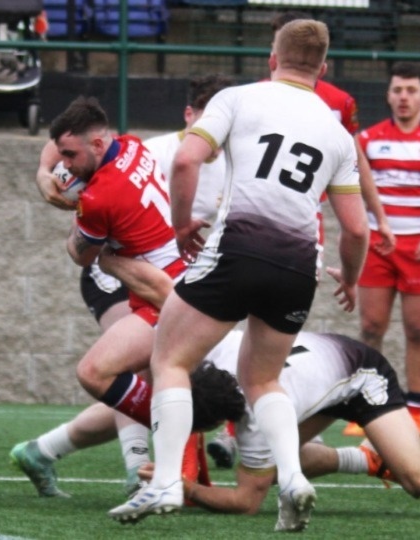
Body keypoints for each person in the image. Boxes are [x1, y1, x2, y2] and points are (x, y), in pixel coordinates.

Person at [107, 19, 369, 532]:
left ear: (272, 59)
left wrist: (181, 226)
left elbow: (186, 159)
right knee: (264, 379)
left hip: (237, 252)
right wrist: (353, 280)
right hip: (298, 266)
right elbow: (356, 231)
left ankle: (164, 481)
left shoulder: (240, 98)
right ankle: (292, 478)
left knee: (170, 359)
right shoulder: (338, 134)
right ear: (324, 68)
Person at [11, 77, 235, 497]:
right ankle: (142, 459)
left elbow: (80, 253)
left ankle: (154, 450)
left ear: (98, 145)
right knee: (143, 376)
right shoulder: (132, 145)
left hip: (158, 287)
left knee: (105, 374)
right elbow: (62, 145)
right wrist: (47, 174)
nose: (67, 162)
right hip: (155, 278)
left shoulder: (99, 195)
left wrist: (70, 203)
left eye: (71, 156)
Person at [205, 11, 397, 471]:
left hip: (254, 237)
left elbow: (354, 161)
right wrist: (372, 223)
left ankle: (228, 438)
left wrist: (379, 213)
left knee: (235, 347)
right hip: (296, 251)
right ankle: (253, 443)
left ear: (277, 52)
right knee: (263, 355)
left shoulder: (264, 94)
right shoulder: (278, 94)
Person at [134, 330, 420, 514]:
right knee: (278, 465)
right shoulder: (207, 351)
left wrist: (188, 490)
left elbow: (245, 503)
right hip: (320, 371)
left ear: (221, 423)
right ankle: (370, 461)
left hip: (364, 378)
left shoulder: (258, 420)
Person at [344, 62, 420, 439]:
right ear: (388, 95)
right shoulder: (367, 140)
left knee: (417, 329)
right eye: (397, 90)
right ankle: (363, 407)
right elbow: (354, 187)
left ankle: (415, 410)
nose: (404, 97)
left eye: (411, 90)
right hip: (379, 246)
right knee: (370, 327)